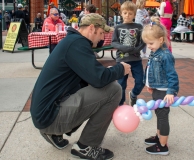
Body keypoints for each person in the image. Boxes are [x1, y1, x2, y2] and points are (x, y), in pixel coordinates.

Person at [30, 13, 131, 159]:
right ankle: (86, 146)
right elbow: (99, 79)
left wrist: (105, 73)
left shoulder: (72, 41)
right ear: (91, 28)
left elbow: (91, 77)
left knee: (103, 85)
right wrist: (120, 69)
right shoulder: (77, 44)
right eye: (101, 33)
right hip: (49, 116)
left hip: (44, 113)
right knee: (114, 90)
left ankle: (53, 133)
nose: (102, 38)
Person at [141, 16, 179, 155]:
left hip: (164, 92)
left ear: (161, 40)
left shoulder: (165, 55)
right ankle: (158, 137)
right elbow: (151, 69)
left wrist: (171, 92)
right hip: (158, 89)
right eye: (147, 43)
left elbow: (172, 75)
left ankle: (163, 146)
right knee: (159, 114)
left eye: (150, 43)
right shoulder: (155, 52)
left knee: (162, 116)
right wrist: (150, 84)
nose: (148, 46)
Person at [111, 1, 146, 106]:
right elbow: (114, 42)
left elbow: (143, 41)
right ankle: (121, 104)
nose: (127, 15)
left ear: (134, 15)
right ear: (121, 13)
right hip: (122, 60)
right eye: (125, 13)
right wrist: (124, 48)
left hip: (136, 60)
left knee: (141, 81)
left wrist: (136, 49)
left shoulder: (139, 27)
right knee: (121, 84)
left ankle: (134, 94)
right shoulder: (117, 27)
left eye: (130, 13)